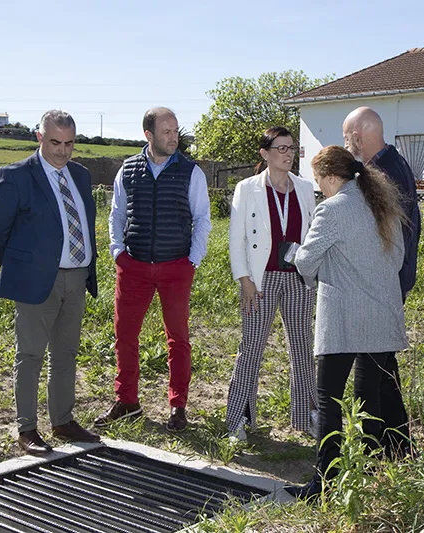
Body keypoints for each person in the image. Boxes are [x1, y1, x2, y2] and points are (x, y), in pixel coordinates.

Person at [285, 145, 408, 498]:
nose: (318, 186)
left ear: (330, 176)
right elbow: (397, 259)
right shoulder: (382, 206)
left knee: (330, 400)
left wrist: (299, 257)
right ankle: (368, 479)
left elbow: (306, 262)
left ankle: (325, 482)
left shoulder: (332, 210)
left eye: (318, 179)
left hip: (342, 319)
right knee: (369, 400)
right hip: (382, 318)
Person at [0, 109, 100, 455]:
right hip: (37, 281)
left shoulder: (80, 175)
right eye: (55, 142)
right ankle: (27, 429)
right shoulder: (16, 176)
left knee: (65, 353)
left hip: (76, 278)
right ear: (39, 137)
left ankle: (63, 422)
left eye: (69, 143)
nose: (62, 151)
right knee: (31, 355)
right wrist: (25, 269)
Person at [95, 107, 212, 432]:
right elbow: (117, 213)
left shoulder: (191, 172)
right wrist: (117, 251)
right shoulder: (128, 169)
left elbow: (202, 217)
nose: (174, 137)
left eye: (176, 131)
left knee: (178, 338)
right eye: (166, 132)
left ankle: (178, 406)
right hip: (133, 267)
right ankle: (127, 401)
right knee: (125, 336)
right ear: (148, 135)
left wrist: (193, 260)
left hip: (176, 266)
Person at [226, 126, 318, 441]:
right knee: (251, 347)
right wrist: (245, 279)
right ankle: (238, 418)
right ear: (265, 153)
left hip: (297, 279)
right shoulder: (247, 188)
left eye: (291, 148)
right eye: (281, 148)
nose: (288, 154)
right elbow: (236, 239)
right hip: (260, 281)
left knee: (303, 347)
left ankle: (308, 415)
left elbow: (311, 235)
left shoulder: (305, 188)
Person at [342, 107, 421, 458]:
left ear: (359, 136)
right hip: (390, 282)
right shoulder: (394, 163)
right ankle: (398, 447)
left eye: (347, 137)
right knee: (383, 367)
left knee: (371, 371)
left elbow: (384, 238)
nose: (346, 144)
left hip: (380, 285)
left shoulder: (381, 173)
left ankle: (373, 451)